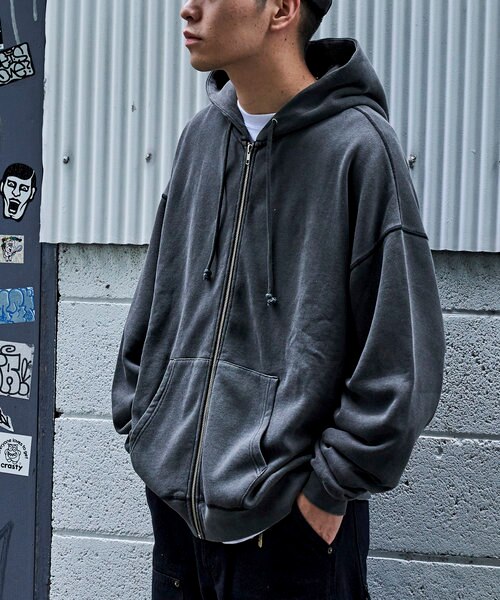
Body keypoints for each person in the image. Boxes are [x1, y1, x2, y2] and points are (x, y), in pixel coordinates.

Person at [111, 1, 445, 598]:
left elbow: (401, 356)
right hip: (179, 515)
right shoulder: (200, 138)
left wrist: (329, 488)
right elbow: (160, 294)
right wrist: (146, 423)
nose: (189, 8)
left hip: (290, 531)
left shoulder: (360, 150)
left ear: (283, 9)